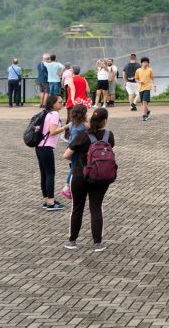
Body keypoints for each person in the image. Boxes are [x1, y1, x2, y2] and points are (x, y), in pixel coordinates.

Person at [64, 107, 115, 252]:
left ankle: (72, 241)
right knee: (96, 208)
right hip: (100, 177)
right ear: (105, 121)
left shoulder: (82, 136)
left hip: (80, 176)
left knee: (77, 208)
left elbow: (66, 155)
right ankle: (98, 243)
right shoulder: (109, 136)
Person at [36, 95, 67, 211]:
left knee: (44, 174)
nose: (62, 103)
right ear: (53, 103)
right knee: (50, 174)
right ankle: (50, 202)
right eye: (60, 102)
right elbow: (53, 131)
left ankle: (46, 199)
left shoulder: (47, 113)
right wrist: (66, 127)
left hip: (39, 147)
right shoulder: (54, 114)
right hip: (46, 147)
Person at [61, 105, 90, 200]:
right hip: (77, 149)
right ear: (83, 114)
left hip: (71, 147)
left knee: (74, 167)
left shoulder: (71, 124)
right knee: (74, 168)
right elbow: (91, 128)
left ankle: (68, 185)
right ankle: (67, 187)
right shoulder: (84, 125)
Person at [135, 57, 155, 122]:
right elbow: (136, 79)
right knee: (142, 103)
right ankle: (148, 111)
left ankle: (144, 115)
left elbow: (153, 78)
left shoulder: (150, 70)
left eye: (147, 62)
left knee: (144, 101)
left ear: (148, 63)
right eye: (144, 62)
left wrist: (154, 85)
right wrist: (139, 82)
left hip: (147, 87)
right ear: (141, 63)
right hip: (141, 88)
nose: (145, 63)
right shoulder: (138, 70)